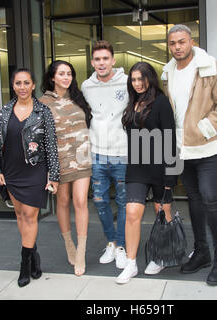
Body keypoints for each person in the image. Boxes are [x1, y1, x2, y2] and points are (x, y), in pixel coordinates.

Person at [162, 24, 217, 286]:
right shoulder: (168, 71)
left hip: (206, 147)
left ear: (191, 41)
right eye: (172, 43)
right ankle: (202, 251)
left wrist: (204, 128)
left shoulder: (209, 66)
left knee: (210, 199)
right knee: (194, 199)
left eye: (181, 42)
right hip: (182, 149)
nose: (177, 47)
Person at [0, 68, 60, 288]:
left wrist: (54, 175)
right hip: (11, 171)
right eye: (18, 83)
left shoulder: (43, 112)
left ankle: (24, 267)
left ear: (33, 85)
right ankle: (34, 256)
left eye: (26, 83)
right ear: (13, 86)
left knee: (30, 217)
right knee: (20, 215)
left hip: (35, 171)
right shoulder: (5, 111)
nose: (22, 87)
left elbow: (51, 146)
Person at [115, 62, 177, 284]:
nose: (138, 83)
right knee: (132, 212)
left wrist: (171, 177)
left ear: (150, 78)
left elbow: (170, 139)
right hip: (138, 167)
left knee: (163, 215)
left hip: (160, 168)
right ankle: (131, 263)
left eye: (142, 79)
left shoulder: (161, 102)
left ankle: (160, 258)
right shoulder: (134, 102)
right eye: (133, 79)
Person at [39, 60, 92, 277]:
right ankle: (69, 243)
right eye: (61, 74)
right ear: (52, 77)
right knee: (62, 201)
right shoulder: (42, 103)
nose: (66, 77)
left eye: (69, 73)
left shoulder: (79, 98)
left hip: (82, 158)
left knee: (80, 201)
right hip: (58, 161)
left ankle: (81, 251)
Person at [81, 40, 128, 270]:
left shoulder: (127, 83)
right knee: (100, 202)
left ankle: (121, 246)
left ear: (113, 60)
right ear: (92, 62)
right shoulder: (86, 86)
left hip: (122, 154)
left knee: (123, 202)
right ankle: (111, 242)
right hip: (97, 154)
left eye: (105, 58)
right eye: (97, 59)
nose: (101, 63)